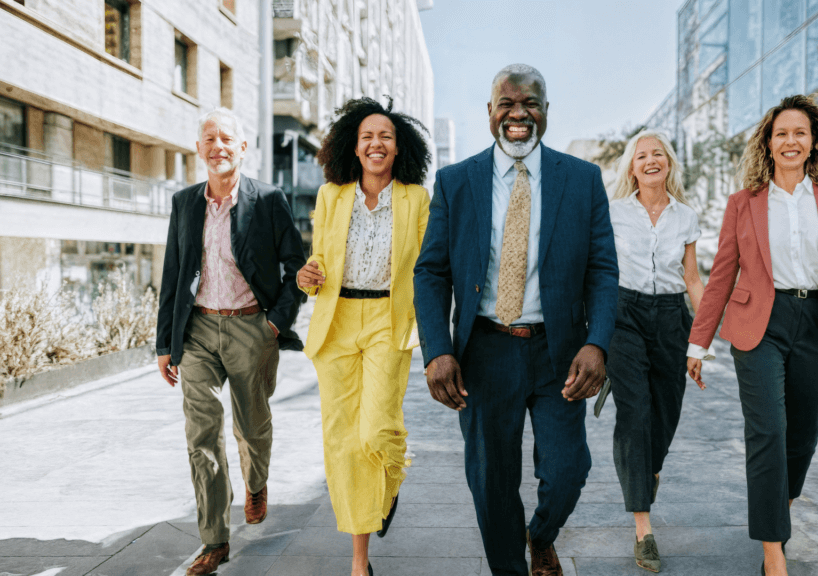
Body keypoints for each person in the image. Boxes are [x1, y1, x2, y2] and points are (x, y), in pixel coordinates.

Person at [413, 64, 618, 576]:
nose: (518, 113)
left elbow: (604, 270)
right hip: (485, 351)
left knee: (569, 470)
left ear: (546, 112)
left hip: (560, 352)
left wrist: (598, 343)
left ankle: (541, 534)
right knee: (491, 480)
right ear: (489, 113)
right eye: (507, 103)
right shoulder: (456, 182)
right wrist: (437, 350)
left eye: (530, 103)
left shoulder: (583, 179)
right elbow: (431, 272)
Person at [686, 95, 818, 576]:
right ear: (768, 142)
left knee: (804, 432)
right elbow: (720, 276)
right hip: (759, 324)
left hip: (815, 322)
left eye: (799, 132)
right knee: (768, 433)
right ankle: (773, 551)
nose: (790, 141)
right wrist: (698, 344)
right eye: (781, 133)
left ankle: (779, 501)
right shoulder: (744, 204)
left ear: (814, 142)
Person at [155, 108, 306, 576]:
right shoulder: (185, 202)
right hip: (198, 329)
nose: (217, 145)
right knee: (201, 434)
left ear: (243, 147)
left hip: (250, 328)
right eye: (209, 138)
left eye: (227, 138)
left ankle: (256, 481)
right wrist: (166, 343)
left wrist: (275, 324)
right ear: (199, 148)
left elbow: (296, 267)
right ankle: (214, 541)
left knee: (251, 427)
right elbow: (173, 274)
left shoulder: (268, 200)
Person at [295, 96, 431, 576]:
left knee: (376, 430)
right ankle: (359, 562)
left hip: (385, 322)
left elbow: (427, 268)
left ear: (398, 149)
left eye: (386, 137)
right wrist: (305, 276)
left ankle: (388, 483)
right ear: (354, 147)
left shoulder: (416, 198)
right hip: (337, 322)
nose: (377, 144)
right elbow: (318, 263)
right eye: (368, 137)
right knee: (342, 441)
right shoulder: (332, 195)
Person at [605, 130, 711, 573]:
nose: (650, 161)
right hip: (623, 314)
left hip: (671, 318)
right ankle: (643, 528)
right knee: (635, 413)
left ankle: (645, 473)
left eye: (657, 154)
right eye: (641, 156)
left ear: (668, 162)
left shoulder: (685, 216)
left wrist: (702, 342)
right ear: (631, 167)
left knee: (666, 413)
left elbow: (692, 279)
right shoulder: (612, 213)